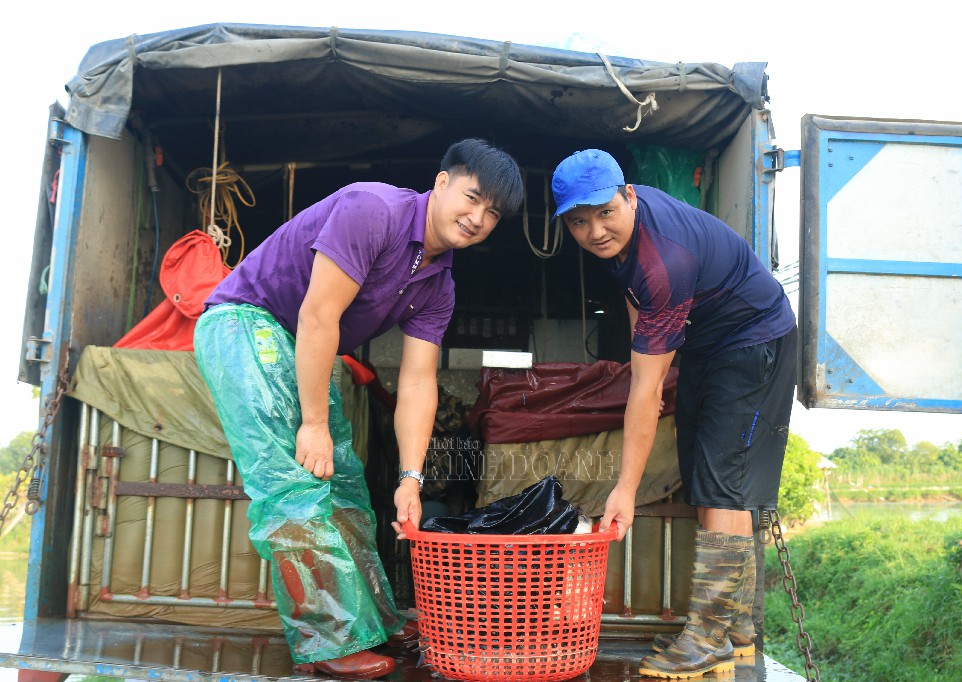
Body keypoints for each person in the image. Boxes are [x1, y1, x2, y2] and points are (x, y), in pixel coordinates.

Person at [194, 138, 524, 680]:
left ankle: (373, 618)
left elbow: (418, 382)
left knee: (345, 482)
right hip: (246, 322)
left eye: (492, 214)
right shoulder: (373, 210)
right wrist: (314, 423)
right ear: (441, 183)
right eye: (472, 198)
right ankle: (330, 641)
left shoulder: (439, 284)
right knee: (294, 483)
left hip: (298, 344)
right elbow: (319, 316)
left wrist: (411, 479)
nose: (477, 219)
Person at [551, 149, 797, 679]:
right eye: (578, 221)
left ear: (629, 196)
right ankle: (739, 633)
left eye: (603, 213)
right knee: (705, 476)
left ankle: (707, 639)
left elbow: (646, 387)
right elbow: (638, 307)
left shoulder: (665, 260)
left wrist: (625, 490)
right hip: (709, 346)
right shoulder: (629, 240)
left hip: (755, 341)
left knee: (722, 485)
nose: (594, 231)